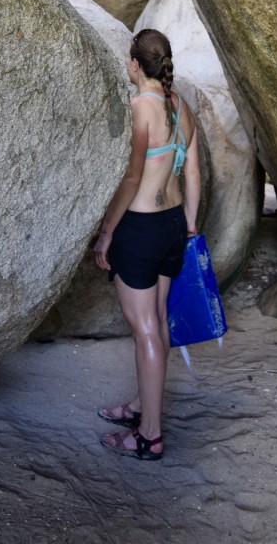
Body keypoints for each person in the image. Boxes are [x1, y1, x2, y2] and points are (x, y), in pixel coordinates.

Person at [94, 29, 200, 460]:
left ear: (136, 64)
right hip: (173, 224)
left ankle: (149, 435)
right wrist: (190, 226)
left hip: (140, 227)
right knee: (156, 321)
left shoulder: (142, 108)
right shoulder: (180, 106)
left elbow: (133, 178)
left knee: (145, 330)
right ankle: (143, 405)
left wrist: (106, 232)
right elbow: (192, 174)